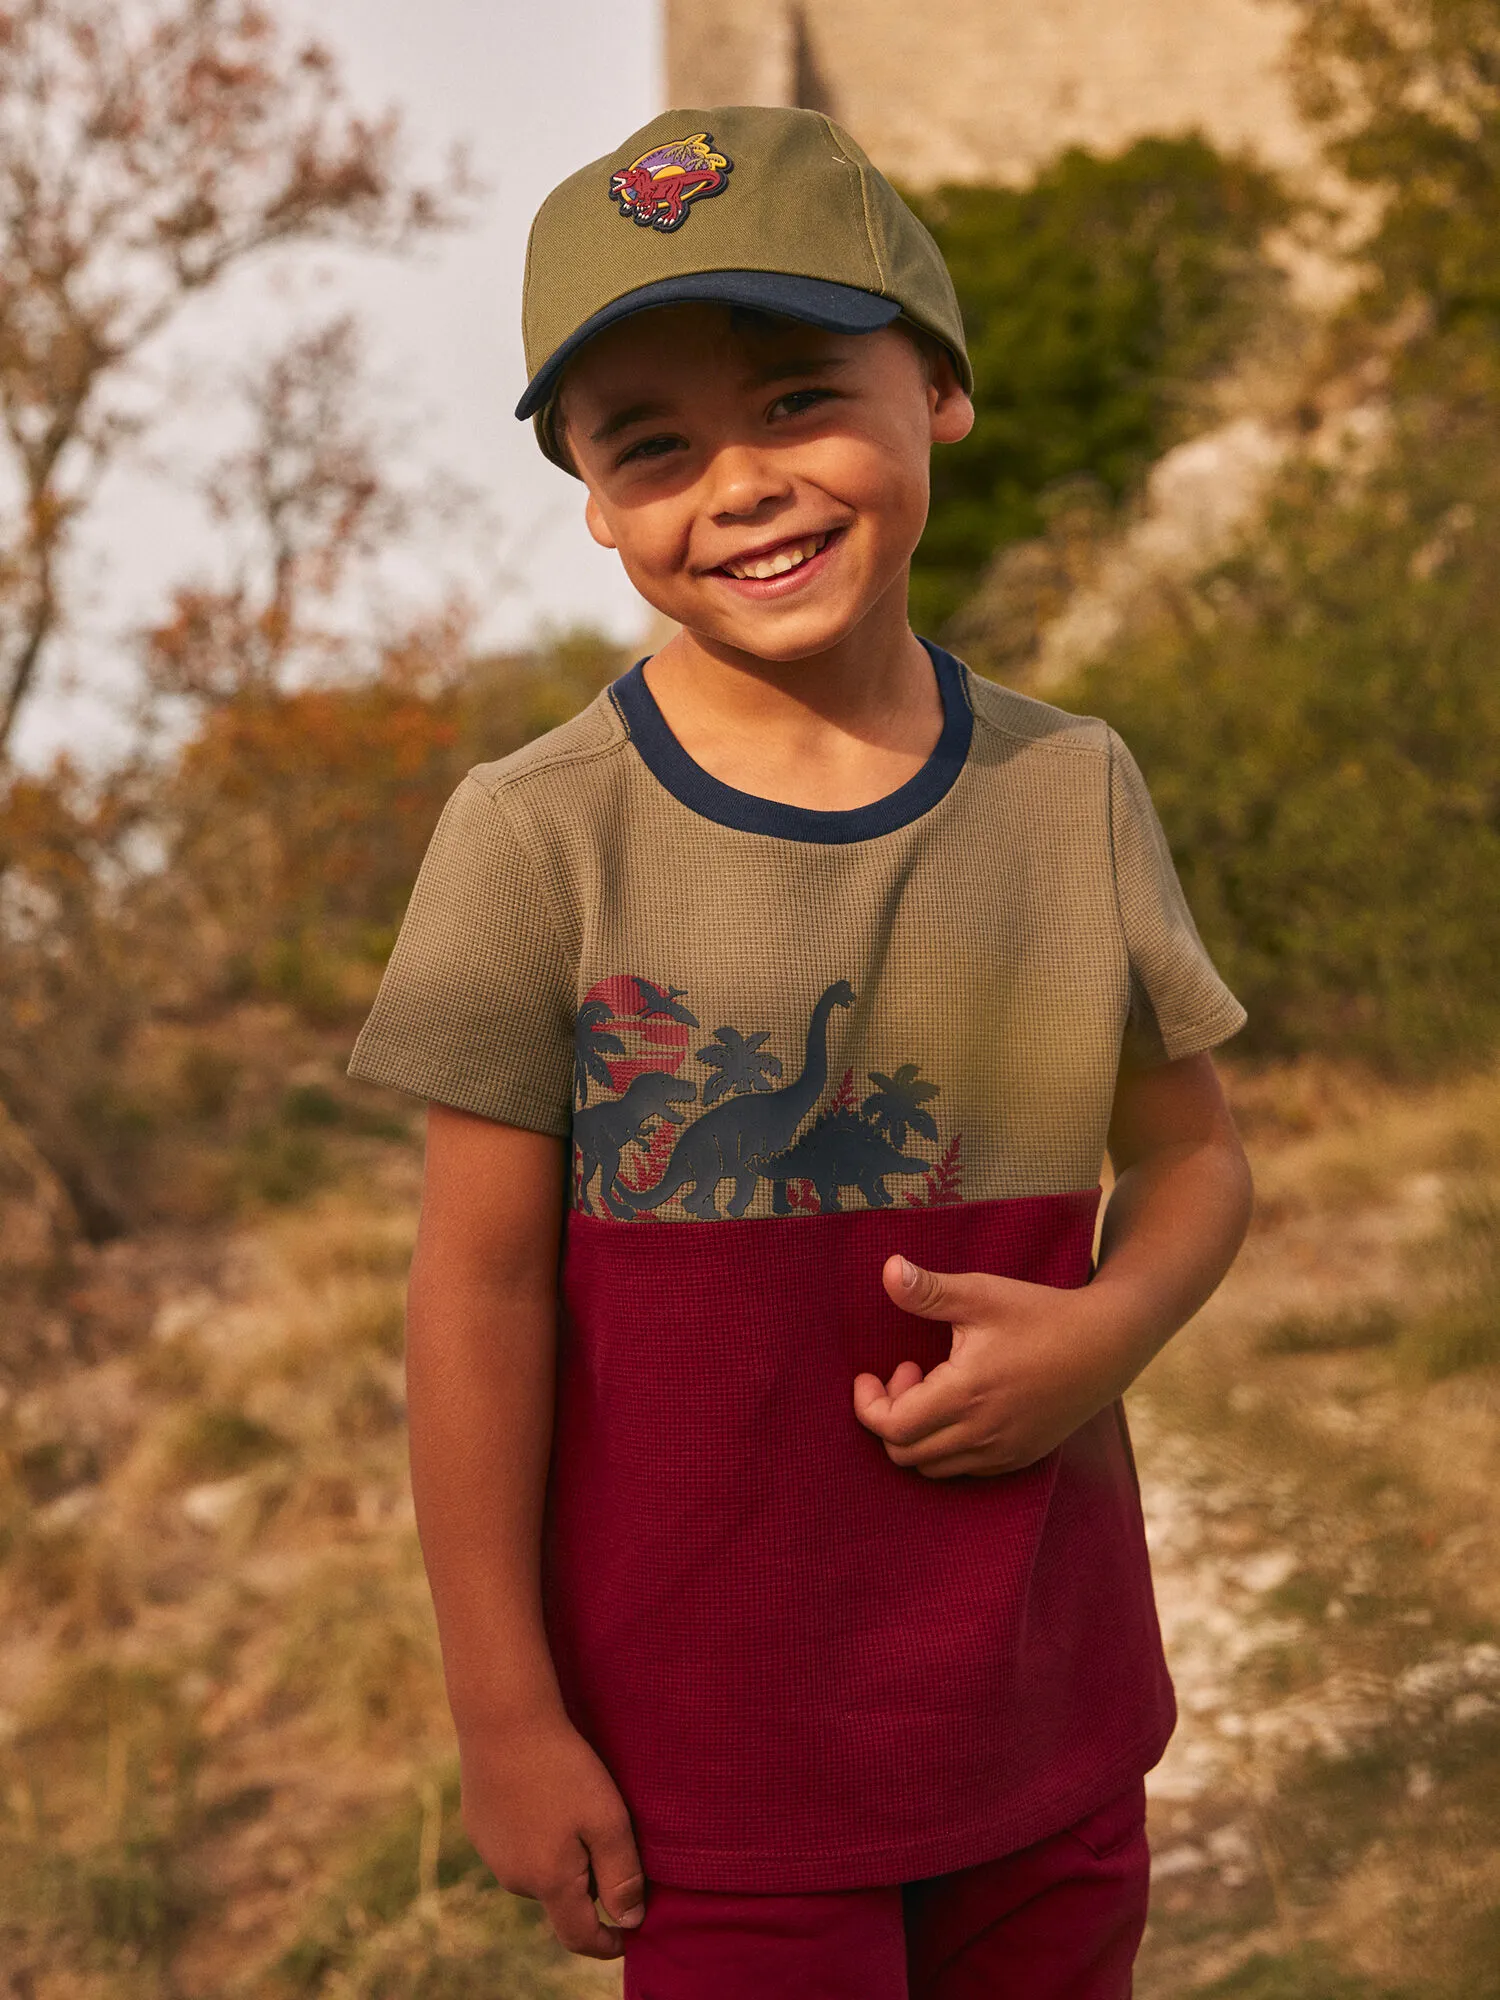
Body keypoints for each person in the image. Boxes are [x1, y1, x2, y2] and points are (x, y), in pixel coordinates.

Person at [347, 104, 1254, 2000]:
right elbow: (480, 1289)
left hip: (1046, 1717)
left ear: (936, 387)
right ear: (590, 499)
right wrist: (507, 1718)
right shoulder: (536, 838)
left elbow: (1194, 1162)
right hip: (716, 1780)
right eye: (651, 443)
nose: (737, 483)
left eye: (793, 398)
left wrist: (1108, 1330)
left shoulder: (1068, 789)